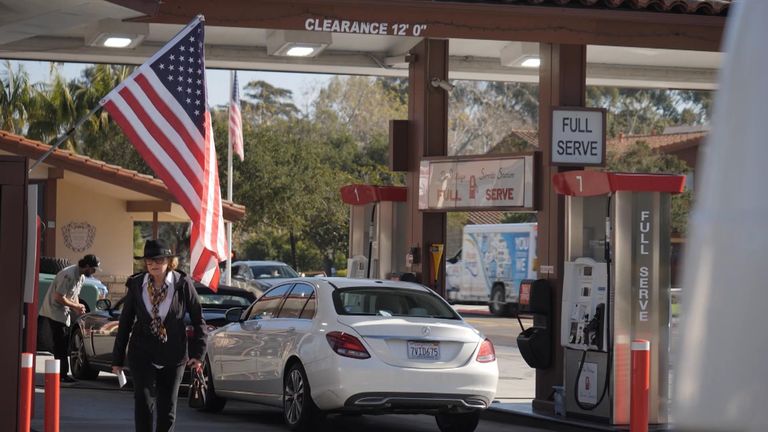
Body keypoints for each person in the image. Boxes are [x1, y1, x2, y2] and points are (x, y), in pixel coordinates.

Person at [112, 239, 207, 432]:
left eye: (159, 260)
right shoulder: (137, 284)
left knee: (167, 409)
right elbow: (125, 322)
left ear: (169, 262)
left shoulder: (182, 284)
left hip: (174, 354)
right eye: (149, 260)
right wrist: (118, 358)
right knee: (144, 403)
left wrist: (198, 355)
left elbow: (199, 320)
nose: (154, 264)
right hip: (142, 353)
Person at [38, 254, 100, 383]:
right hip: (54, 312)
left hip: (64, 313)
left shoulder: (81, 277)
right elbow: (59, 297)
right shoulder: (68, 274)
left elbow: (74, 295)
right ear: (87, 266)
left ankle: (62, 373)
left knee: (64, 342)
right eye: (93, 269)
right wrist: (75, 306)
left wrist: (78, 307)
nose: (94, 272)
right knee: (60, 344)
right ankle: (61, 375)